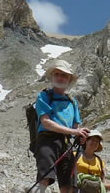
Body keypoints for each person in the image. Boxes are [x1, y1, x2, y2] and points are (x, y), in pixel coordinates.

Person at [32, 59, 90, 193]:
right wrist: (74, 132)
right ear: (52, 76)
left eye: (64, 75)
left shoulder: (72, 101)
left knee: (68, 185)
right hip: (47, 140)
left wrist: (80, 136)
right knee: (45, 178)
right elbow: (45, 122)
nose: (60, 77)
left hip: (66, 144)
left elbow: (76, 126)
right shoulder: (44, 95)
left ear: (69, 79)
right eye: (57, 74)